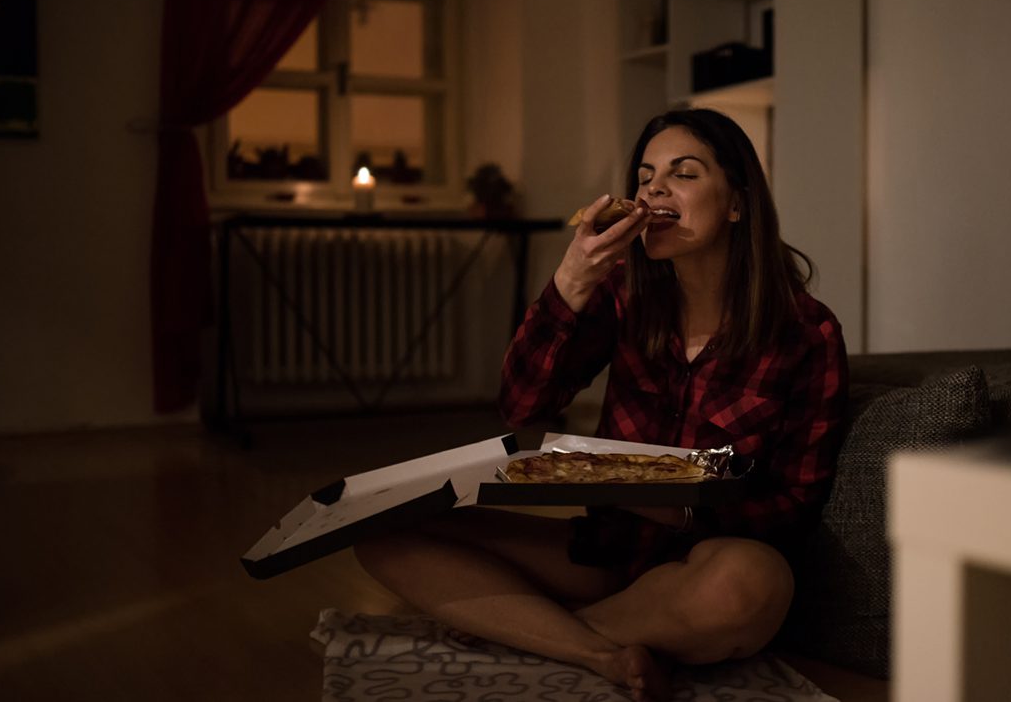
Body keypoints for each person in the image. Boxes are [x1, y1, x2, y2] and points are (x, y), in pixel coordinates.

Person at [355, 108, 848, 702]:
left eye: (683, 174)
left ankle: (531, 632)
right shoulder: (625, 297)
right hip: (608, 552)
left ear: (738, 202)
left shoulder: (805, 331)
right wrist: (571, 278)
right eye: (644, 176)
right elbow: (522, 402)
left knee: (752, 584)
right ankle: (603, 652)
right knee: (381, 534)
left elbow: (796, 502)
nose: (653, 189)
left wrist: (678, 509)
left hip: (710, 562)